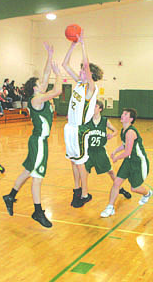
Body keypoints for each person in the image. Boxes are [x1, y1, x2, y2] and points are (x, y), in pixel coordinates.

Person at [2, 42, 62, 228]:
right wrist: (58, 73)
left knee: (28, 171)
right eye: (40, 84)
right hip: (39, 142)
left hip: (36, 141)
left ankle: (10, 196)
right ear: (35, 88)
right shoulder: (37, 99)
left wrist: (49, 56)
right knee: (37, 177)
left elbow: (44, 75)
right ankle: (37, 211)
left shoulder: (37, 95)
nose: (43, 83)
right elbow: (58, 90)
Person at [62, 30, 103, 208]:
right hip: (70, 127)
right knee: (73, 160)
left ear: (89, 75)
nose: (80, 71)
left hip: (80, 129)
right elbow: (65, 63)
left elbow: (86, 65)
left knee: (80, 163)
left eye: (83, 70)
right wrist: (72, 45)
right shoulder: (79, 83)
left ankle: (85, 194)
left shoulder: (91, 88)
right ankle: (77, 189)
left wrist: (83, 44)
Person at [101, 108, 153, 218]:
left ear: (130, 119)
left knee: (134, 188)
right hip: (128, 161)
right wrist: (115, 151)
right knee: (116, 183)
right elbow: (125, 145)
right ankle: (110, 207)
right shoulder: (124, 130)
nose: (122, 115)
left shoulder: (130, 132)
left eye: (125, 114)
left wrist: (117, 158)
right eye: (123, 113)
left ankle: (147, 194)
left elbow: (128, 151)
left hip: (138, 163)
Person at [85, 100, 131, 199]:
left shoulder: (105, 120)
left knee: (110, 172)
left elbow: (115, 130)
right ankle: (82, 193)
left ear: (100, 109)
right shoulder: (87, 120)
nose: (93, 108)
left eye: (95, 106)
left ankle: (120, 189)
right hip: (88, 151)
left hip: (100, 151)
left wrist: (112, 134)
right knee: (84, 172)